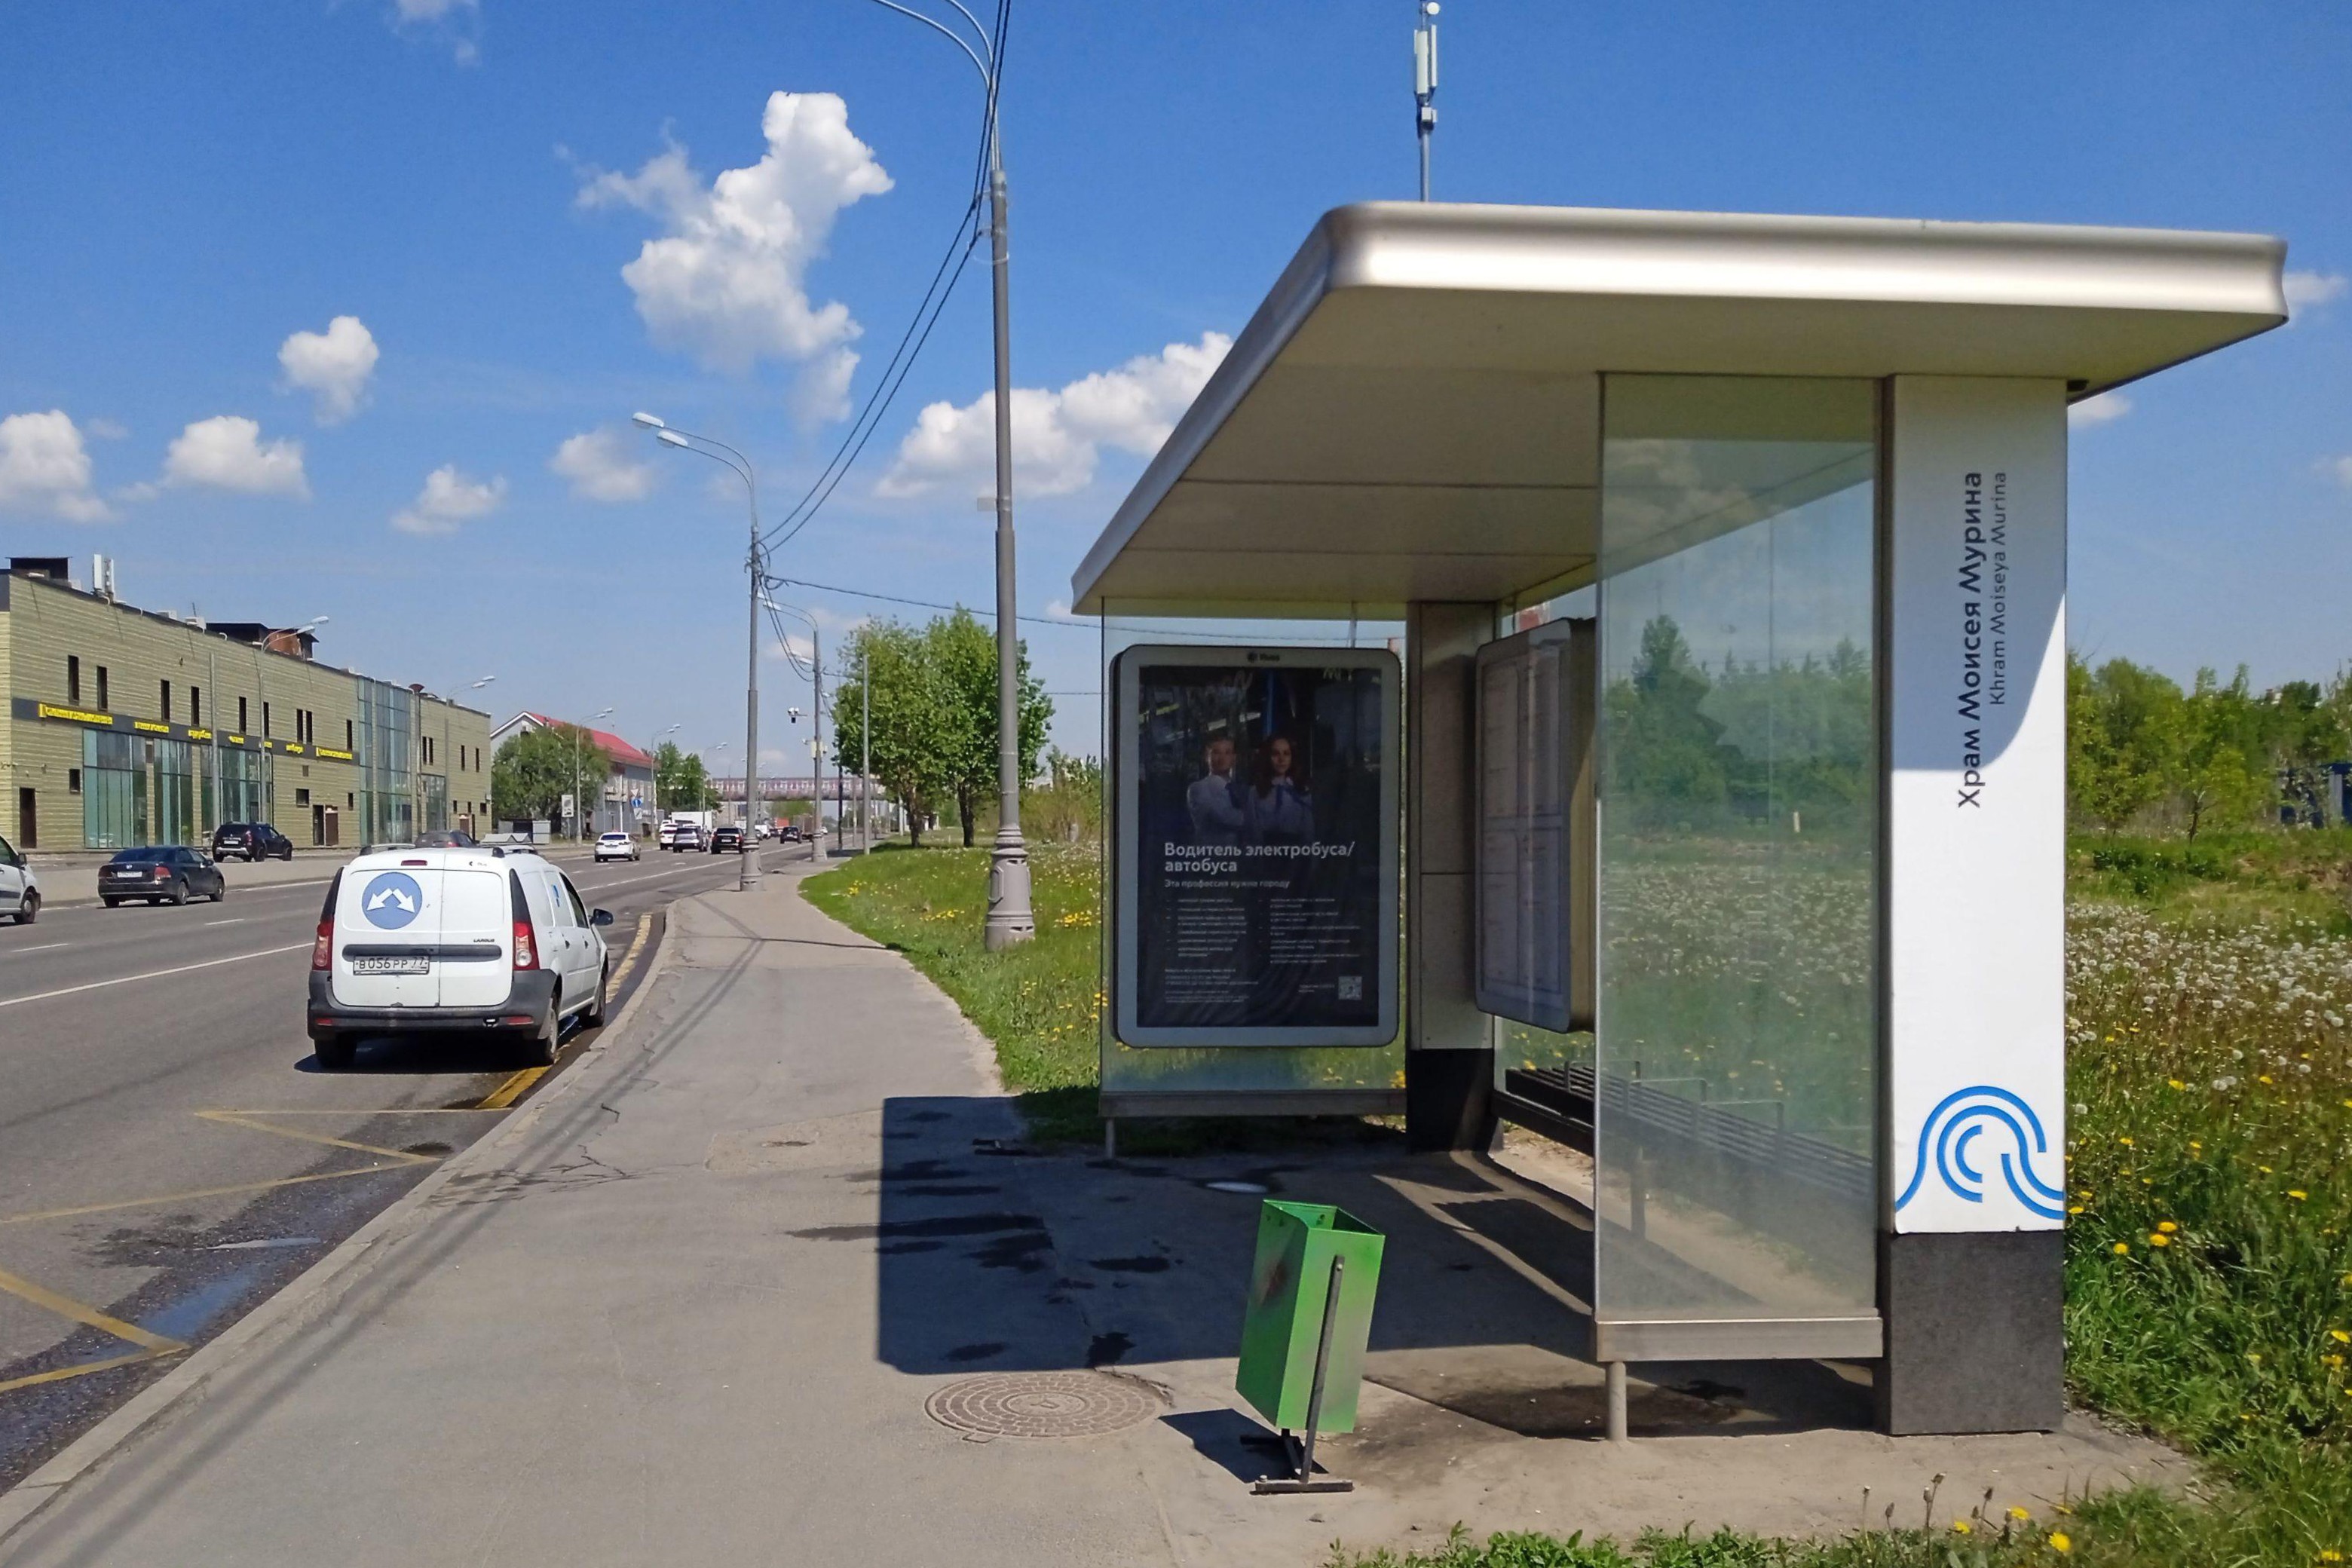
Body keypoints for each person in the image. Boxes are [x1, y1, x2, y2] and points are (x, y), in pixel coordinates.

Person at [1245, 733, 1315, 844]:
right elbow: (1252, 833)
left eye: (1286, 754)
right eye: (1275, 754)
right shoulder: (1255, 792)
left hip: (1295, 851)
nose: (1281, 759)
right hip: (1265, 850)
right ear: (1268, 757)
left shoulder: (1301, 790)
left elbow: (1309, 832)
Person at [1186, 734, 1248, 845]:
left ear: (1234, 757)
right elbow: (1228, 818)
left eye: (1228, 753)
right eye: (1216, 752)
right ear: (1207, 756)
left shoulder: (1239, 788)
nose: (1222, 758)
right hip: (1213, 854)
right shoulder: (1198, 788)